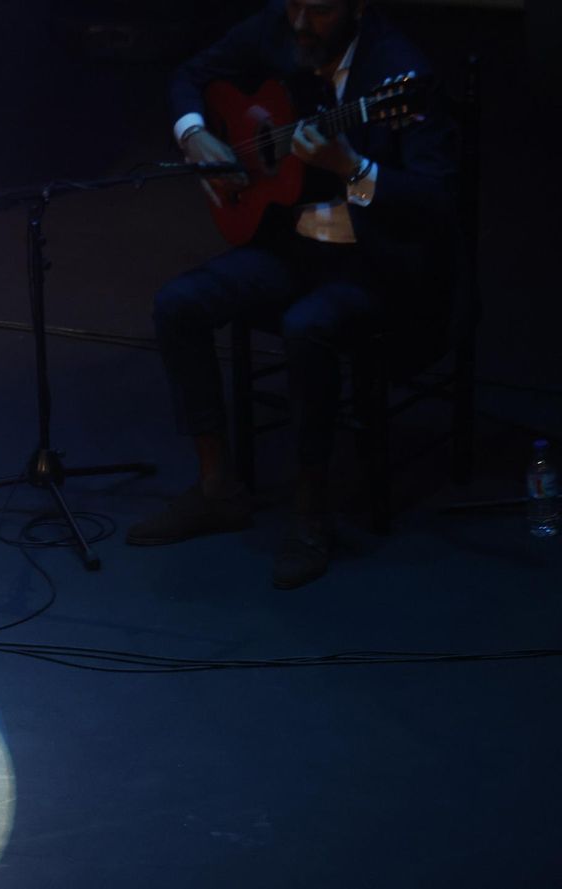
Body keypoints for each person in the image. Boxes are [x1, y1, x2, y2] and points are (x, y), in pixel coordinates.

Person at [126, 0, 458, 588]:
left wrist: (354, 168)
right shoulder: (279, 29)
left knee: (309, 329)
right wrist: (196, 133)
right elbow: (189, 75)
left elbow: (436, 201)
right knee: (178, 304)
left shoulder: (399, 72)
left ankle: (311, 517)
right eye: (293, 4)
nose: (301, 23)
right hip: (290, 243)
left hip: (374, 265)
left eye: (321, 10)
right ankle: (216, 490)